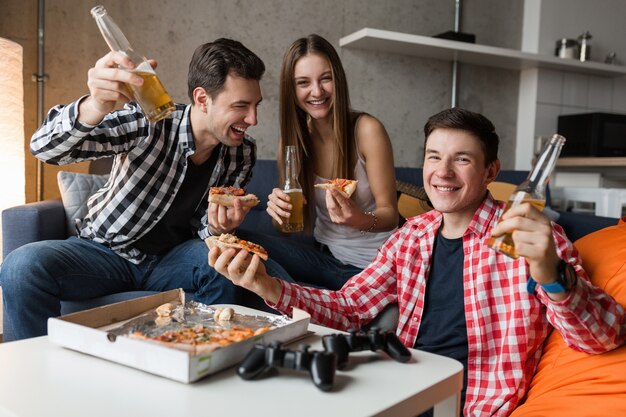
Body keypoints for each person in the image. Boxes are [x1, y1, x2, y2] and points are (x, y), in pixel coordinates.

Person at [210, 108, 626, 417]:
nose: (442, 172)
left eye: (461, 158)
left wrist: (554, 275)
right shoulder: (413, 236)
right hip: (398, 390)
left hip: (471, 404)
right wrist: (267, 286)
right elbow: (351, 308)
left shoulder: (531, 238)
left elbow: (603, 338)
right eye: (433, 156)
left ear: (490, 171)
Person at [0, 38, 273, 341]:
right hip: (105, 252)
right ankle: (36, 375)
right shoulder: (149, 120)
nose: (253, 119)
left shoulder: (241, 152)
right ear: (202, 99)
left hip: (172, 260)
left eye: (255, 105)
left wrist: (219, 226)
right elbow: (44, 149)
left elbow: (206, 232)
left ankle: (198, 358)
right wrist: (95, 105)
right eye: (241, 106)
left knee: (223, 262)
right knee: (21, 266)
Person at [240, 33, 398, 290]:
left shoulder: (367, 130)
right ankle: (300, 305)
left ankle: (310, 302)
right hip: (323, 259)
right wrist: (280, 215)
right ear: (292, 90)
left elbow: (390, 215)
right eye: (303, 82)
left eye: (326, 79)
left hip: (373, 265)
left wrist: (356, 218)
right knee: (242, 244)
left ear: (339, 79)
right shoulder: (292, 142)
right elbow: (288, 229)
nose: (317, 91)